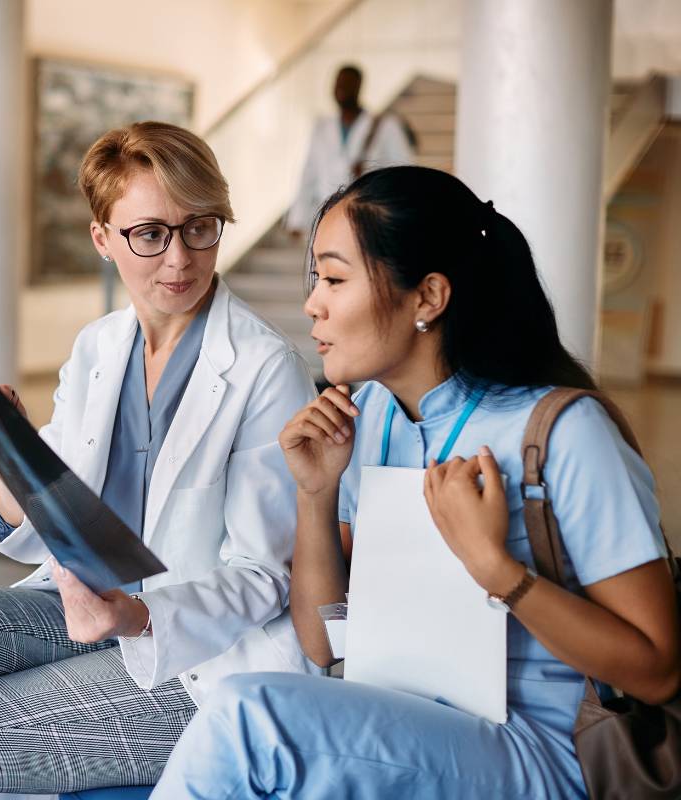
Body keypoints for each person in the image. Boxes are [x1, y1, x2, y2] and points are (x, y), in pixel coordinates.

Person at [0, 121, 318, 800]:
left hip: (198, 656)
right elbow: (34, 530)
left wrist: (134, 618)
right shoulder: (98, 348)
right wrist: (10, 463)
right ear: (102, 238)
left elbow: (264, 578)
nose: (179, 259)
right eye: (150, 234)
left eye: (200, 227)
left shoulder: (266, 369)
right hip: (83, 610)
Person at [150, 166, 681, 799]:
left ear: (427, 298)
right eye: (317, 278)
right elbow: (322, 643)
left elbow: (655, 670)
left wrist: (497, 571)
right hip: (405, 711)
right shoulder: (369, 417)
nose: (312, 303)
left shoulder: (564, 432)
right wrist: (315, 494)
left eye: (336, 278)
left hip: (543, 748)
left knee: (248, 718)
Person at [286, 64, 413, 238]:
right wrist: (297, 218)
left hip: (368, 218)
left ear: (359, 86)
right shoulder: (322, 127)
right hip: (328, 216)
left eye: (346, 84)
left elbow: (405, 173)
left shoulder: (386, 126)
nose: (340, 89)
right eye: (337, 84)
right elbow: (309, 174)